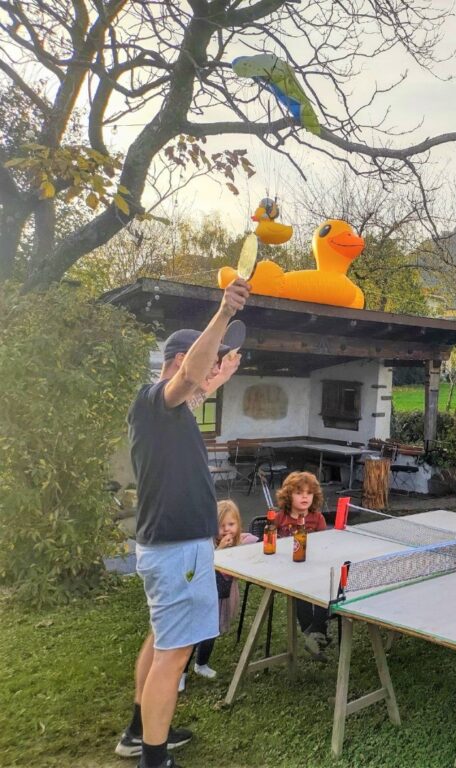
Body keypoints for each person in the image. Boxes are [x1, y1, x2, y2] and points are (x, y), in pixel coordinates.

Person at [116, 277, 249, 768]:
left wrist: (221, 374)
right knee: (175, 654)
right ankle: (154, 758)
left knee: (161, 641)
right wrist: (222, 315)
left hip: (172, 547)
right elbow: (189, 378)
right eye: (206, 360)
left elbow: (196, 384)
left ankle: (139, 733)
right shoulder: (153, 400)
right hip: (177, 550)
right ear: (180, 361)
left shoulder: (169, 413)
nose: (209, 369)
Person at [187, 501, 259, 684]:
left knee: (212, 631)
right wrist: (219, 550)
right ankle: (181, 672)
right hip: (206, 595)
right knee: (196, 634)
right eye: (222, 526)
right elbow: (204, 566)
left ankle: (201, 664)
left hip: (225, 595)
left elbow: (255, 541)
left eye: (231, 525)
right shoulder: (208, 546)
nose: (227, 530)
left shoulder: (239, 541)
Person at [275, 471, 330, 658]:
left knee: (327, 589)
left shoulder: (318, 519)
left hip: (312, 569)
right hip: (287, 571)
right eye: (299, 493)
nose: (305, 496)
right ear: (288, 496)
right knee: (301, 592)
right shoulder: (279, 518)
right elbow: (268, 544)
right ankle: (311, 633)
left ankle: (316, 633)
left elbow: (325, 546)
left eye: (309, 493)